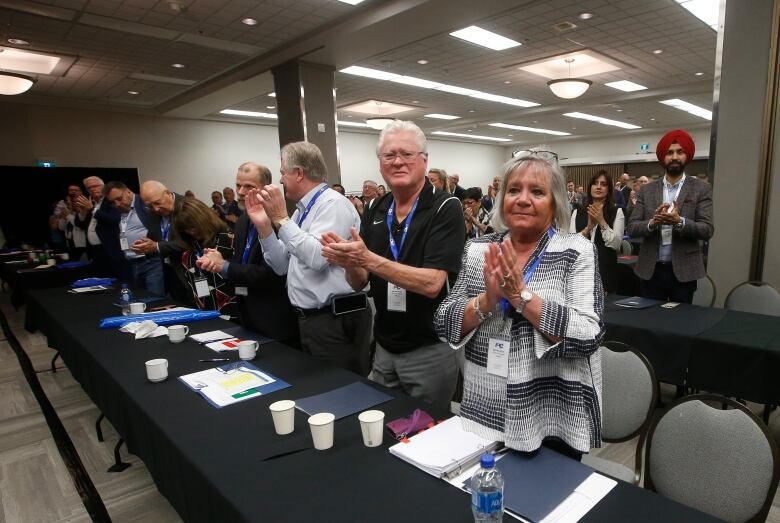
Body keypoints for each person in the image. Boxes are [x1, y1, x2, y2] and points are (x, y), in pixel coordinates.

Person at [433, 152, 604, 459]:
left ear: (555, 203)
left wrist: (521, 297)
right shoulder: (479, 249)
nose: (523, 199)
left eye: (537, 191)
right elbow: (444, 320)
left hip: (552, 413)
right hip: (486, 410)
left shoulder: (576, 251)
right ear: (501, 200)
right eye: (514, 190)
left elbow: (588, 335)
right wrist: (487, 301)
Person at [321, 121, 465, 412]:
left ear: (424, 160)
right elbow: (359, 282)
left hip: (429, 348)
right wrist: (348, 261)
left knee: (427, 435)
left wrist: (367, 259)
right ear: (380, 163)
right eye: (389, 155)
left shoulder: (445, 207)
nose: (397, 161)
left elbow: (432, 283)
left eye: (406, 154)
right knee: (386, 426)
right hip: (385, 347)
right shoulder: (377, 208)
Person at [246, 141, 372, 375]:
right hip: (312, 320)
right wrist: (264, 225)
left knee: (341, 392)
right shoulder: (301, 210)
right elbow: (282, 265)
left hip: (335, 320)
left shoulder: (333, 204)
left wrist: (281, 220)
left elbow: (317, 257)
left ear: (299, 173)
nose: (281, 179)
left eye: (283, 172)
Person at [196, 162, 298, 344]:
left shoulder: (279, 221)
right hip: (247, 314)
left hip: (274, 320)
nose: (241, 192)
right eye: (238, 185)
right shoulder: (243, 220)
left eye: (249, 186)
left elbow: (273, 274)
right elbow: (243, 263)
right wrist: (221, 261)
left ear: (265, 188)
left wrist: (225, 267)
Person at [628, 129, 714, 303]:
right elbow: (632, 228)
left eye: (680, 152)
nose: (674, 157)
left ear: (687, 155)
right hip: (650, 270)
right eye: (669, 152)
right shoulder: (647, 190)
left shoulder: (700, 188)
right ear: (663, 157)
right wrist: (652, 223)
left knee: (679, 325)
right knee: (649, 324)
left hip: (684, 271)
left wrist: (679, 222)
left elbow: (707, 230)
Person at [172, 198, 236, 312]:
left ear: (204, 219)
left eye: (193, 226)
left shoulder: (230, 241)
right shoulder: (188, 255)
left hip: (235, 315)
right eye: (186, 229)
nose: (191, 232)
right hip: (205, 315)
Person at [103, 181, 165, 295]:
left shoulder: (144, 204)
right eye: (113, 202)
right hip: (133, 263)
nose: (117, 204)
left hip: (151, 261)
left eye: (119, 198)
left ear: (128, 191)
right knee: (141, 298)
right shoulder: (122, 211)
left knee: (155, 299)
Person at [569, 171, 624, 293]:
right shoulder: (577, 213)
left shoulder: (617, 212)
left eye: (603, 184)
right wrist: (588, 228)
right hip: (580, 276)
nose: (598, 187)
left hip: (606, 276)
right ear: (590, 188)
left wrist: (602, 221)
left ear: (608, 189)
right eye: (595, 183)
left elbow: (616, 244)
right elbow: (572, 246)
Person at [135, 181, 188, 301]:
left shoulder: (188, 207)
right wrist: (145, 245)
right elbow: (155, 237)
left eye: (157, 203)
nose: (155, 208)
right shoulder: (153, 212)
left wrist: (157, 246)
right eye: (149, 206)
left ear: (168, 193)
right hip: (170, 271)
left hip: (191, 272)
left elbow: (190, 243)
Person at [74, 176, 122, 277]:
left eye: (95, 186)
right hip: (94, 250)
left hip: (109, 249)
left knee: (114, 279)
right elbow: (80, 225)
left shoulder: (111, 200)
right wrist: (82, 213)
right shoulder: (91, 203)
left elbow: (114, 220)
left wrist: (92, 209)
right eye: (89, 188)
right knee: (100, 279)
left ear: (104, 186)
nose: (92, 189)